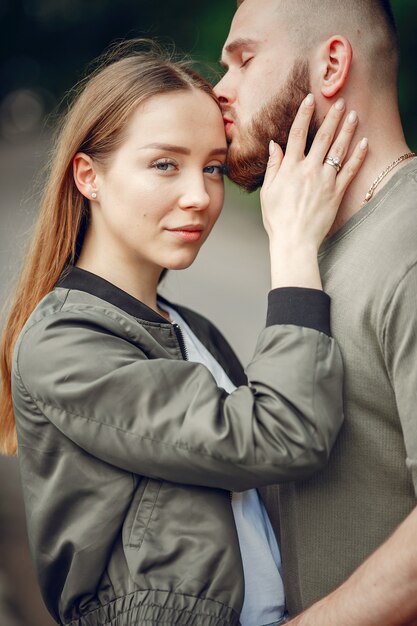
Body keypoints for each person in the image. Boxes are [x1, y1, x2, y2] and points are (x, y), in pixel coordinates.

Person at [0, 39, 367, 626]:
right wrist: (294, 246)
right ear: (89, 176)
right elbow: (281, 436)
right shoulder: (64, 343)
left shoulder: (188, 329)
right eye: (165, 164)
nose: (199, 196)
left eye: (213, 167)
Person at [216, 1, 417, 624]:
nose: (218, 90)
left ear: (331, 65)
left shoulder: (409, 245)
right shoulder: (316, 247)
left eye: (243, 60)